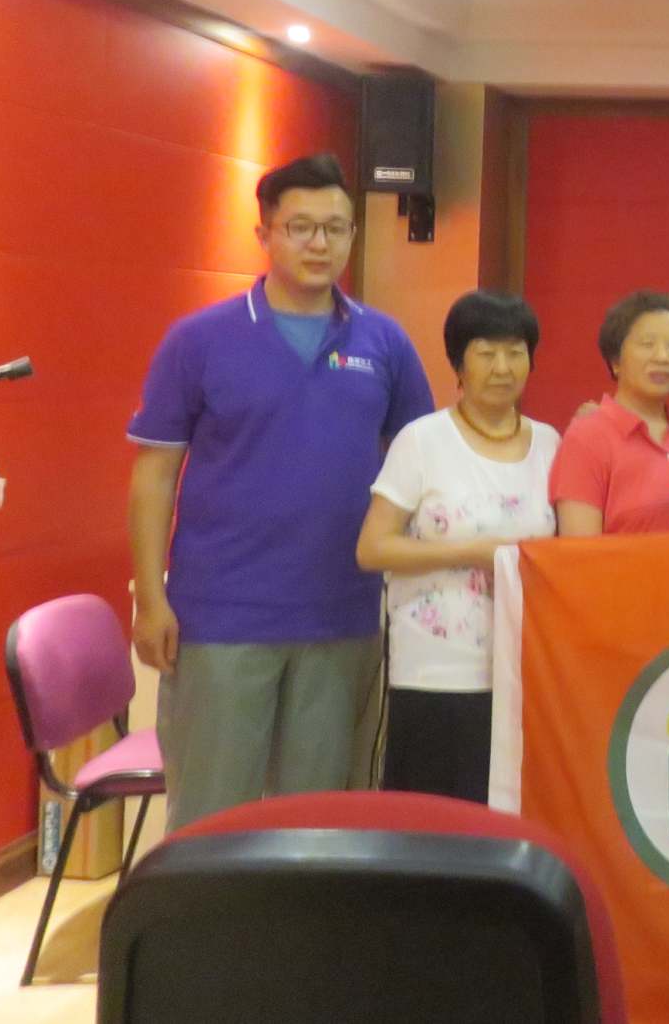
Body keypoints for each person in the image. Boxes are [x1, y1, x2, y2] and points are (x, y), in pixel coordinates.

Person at [127, 153, 433, 831]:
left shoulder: (384, 342)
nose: (319, 243)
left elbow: (424, 460)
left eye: (335, 228)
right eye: (300, 227)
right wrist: (151, 599)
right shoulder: (199, 340)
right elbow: (154, 475)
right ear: (264, 233)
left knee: (321, 823)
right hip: (222, 618)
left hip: (342, 617)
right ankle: (204, 911)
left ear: (353, 235)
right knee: (212, 821)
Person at [355, 291, 557, 802]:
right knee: (434, 823)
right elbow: (373, 548)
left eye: (515, 353)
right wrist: (470, 552)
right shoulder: (422, 440)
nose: (502, 367)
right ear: (458, 363)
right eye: (486, 353)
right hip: (436, 670)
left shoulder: (552, 444)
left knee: (509, 816)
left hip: (523, 671)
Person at [551, 291, 669, 535]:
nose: (663, 357)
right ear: (615, 360)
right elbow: (579, 548)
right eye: (647, 344)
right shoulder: (586, 437)